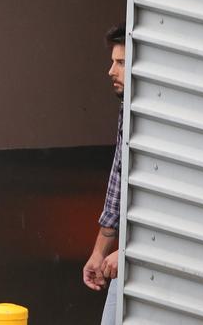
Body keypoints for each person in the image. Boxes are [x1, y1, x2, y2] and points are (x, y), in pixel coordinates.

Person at [82, 22, 126, 325]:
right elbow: (117, 183)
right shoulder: (129, 106)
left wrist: (129, 253)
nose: (111, 71)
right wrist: (99, 252)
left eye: (121, 62)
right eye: (113, 61)